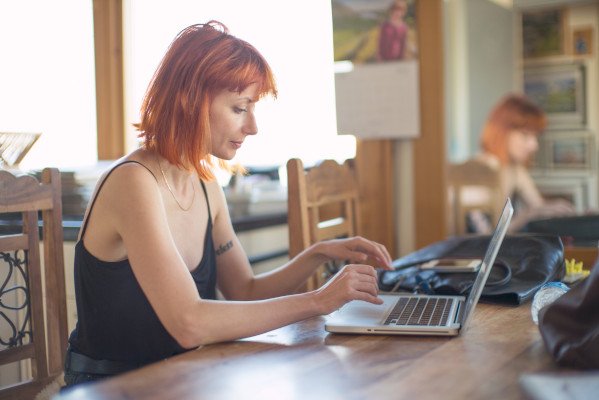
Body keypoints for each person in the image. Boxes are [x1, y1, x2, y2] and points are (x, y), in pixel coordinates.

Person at [62, 21, 393, 388]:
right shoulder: (133, 182)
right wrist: (318, 300)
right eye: (239, 108)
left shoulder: (206, 186)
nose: (253, 127)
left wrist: (316, 253)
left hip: (181, 378)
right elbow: (189, 324)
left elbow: (245, 290)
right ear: (190, 101)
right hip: (111, 387)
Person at [474, 93, 576, 233]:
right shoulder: (476, 171)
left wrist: (578, 217)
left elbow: (539, 208)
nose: (534, 145)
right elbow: (486, 238)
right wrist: (527, 215)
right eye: (525, 135)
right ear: (502, 132)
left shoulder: (515, 169)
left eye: (535, 136)